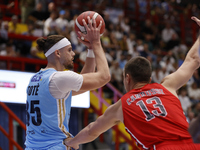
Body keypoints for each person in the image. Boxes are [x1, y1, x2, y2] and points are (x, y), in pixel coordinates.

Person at [64, 16, 200, 150]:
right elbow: (193, 60)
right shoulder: (168, 86)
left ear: (127, 78)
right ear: (150, 79)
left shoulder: (121, 105)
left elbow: (91, 131)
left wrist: (72, 142)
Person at [25, 17, 110, 149]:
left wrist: (91, 50)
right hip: (54, 146)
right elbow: (104, 77)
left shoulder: (36, 79)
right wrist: (96, 42)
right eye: (69, 50)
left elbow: (84, 82)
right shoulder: (60, 78)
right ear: (58, 53)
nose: (73, 53)